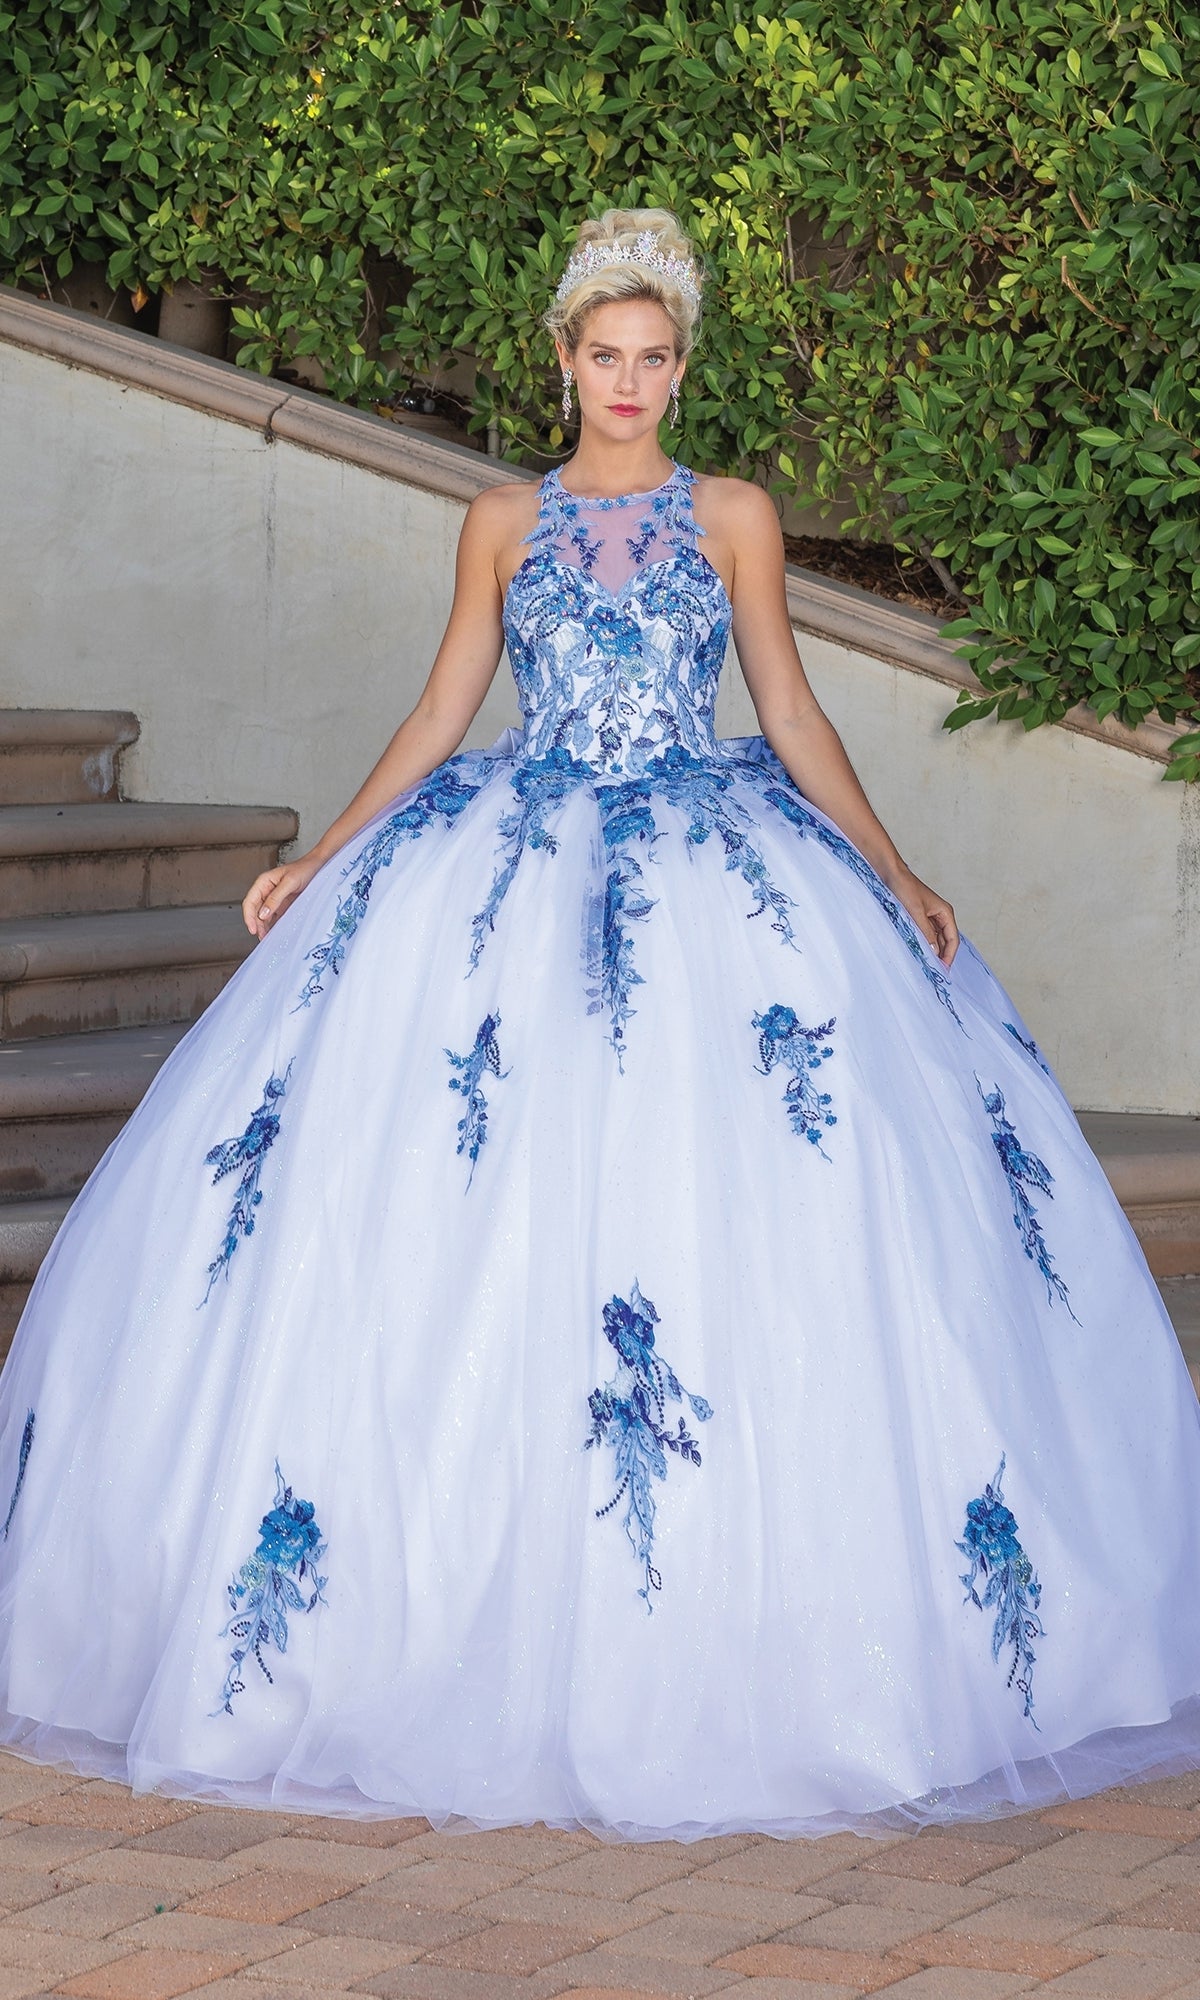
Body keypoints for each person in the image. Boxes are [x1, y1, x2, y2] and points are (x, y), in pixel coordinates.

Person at [0, 207, 1197, 1842]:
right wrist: (322, 856)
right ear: (561, 361)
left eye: (655, 359)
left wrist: (896, 870)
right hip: (507, 874)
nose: (629, 382)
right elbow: (444, 709)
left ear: (680, 370)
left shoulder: (737, 518)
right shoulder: (502, 519)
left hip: (716, 859)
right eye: (604, 356)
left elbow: (785, 703)